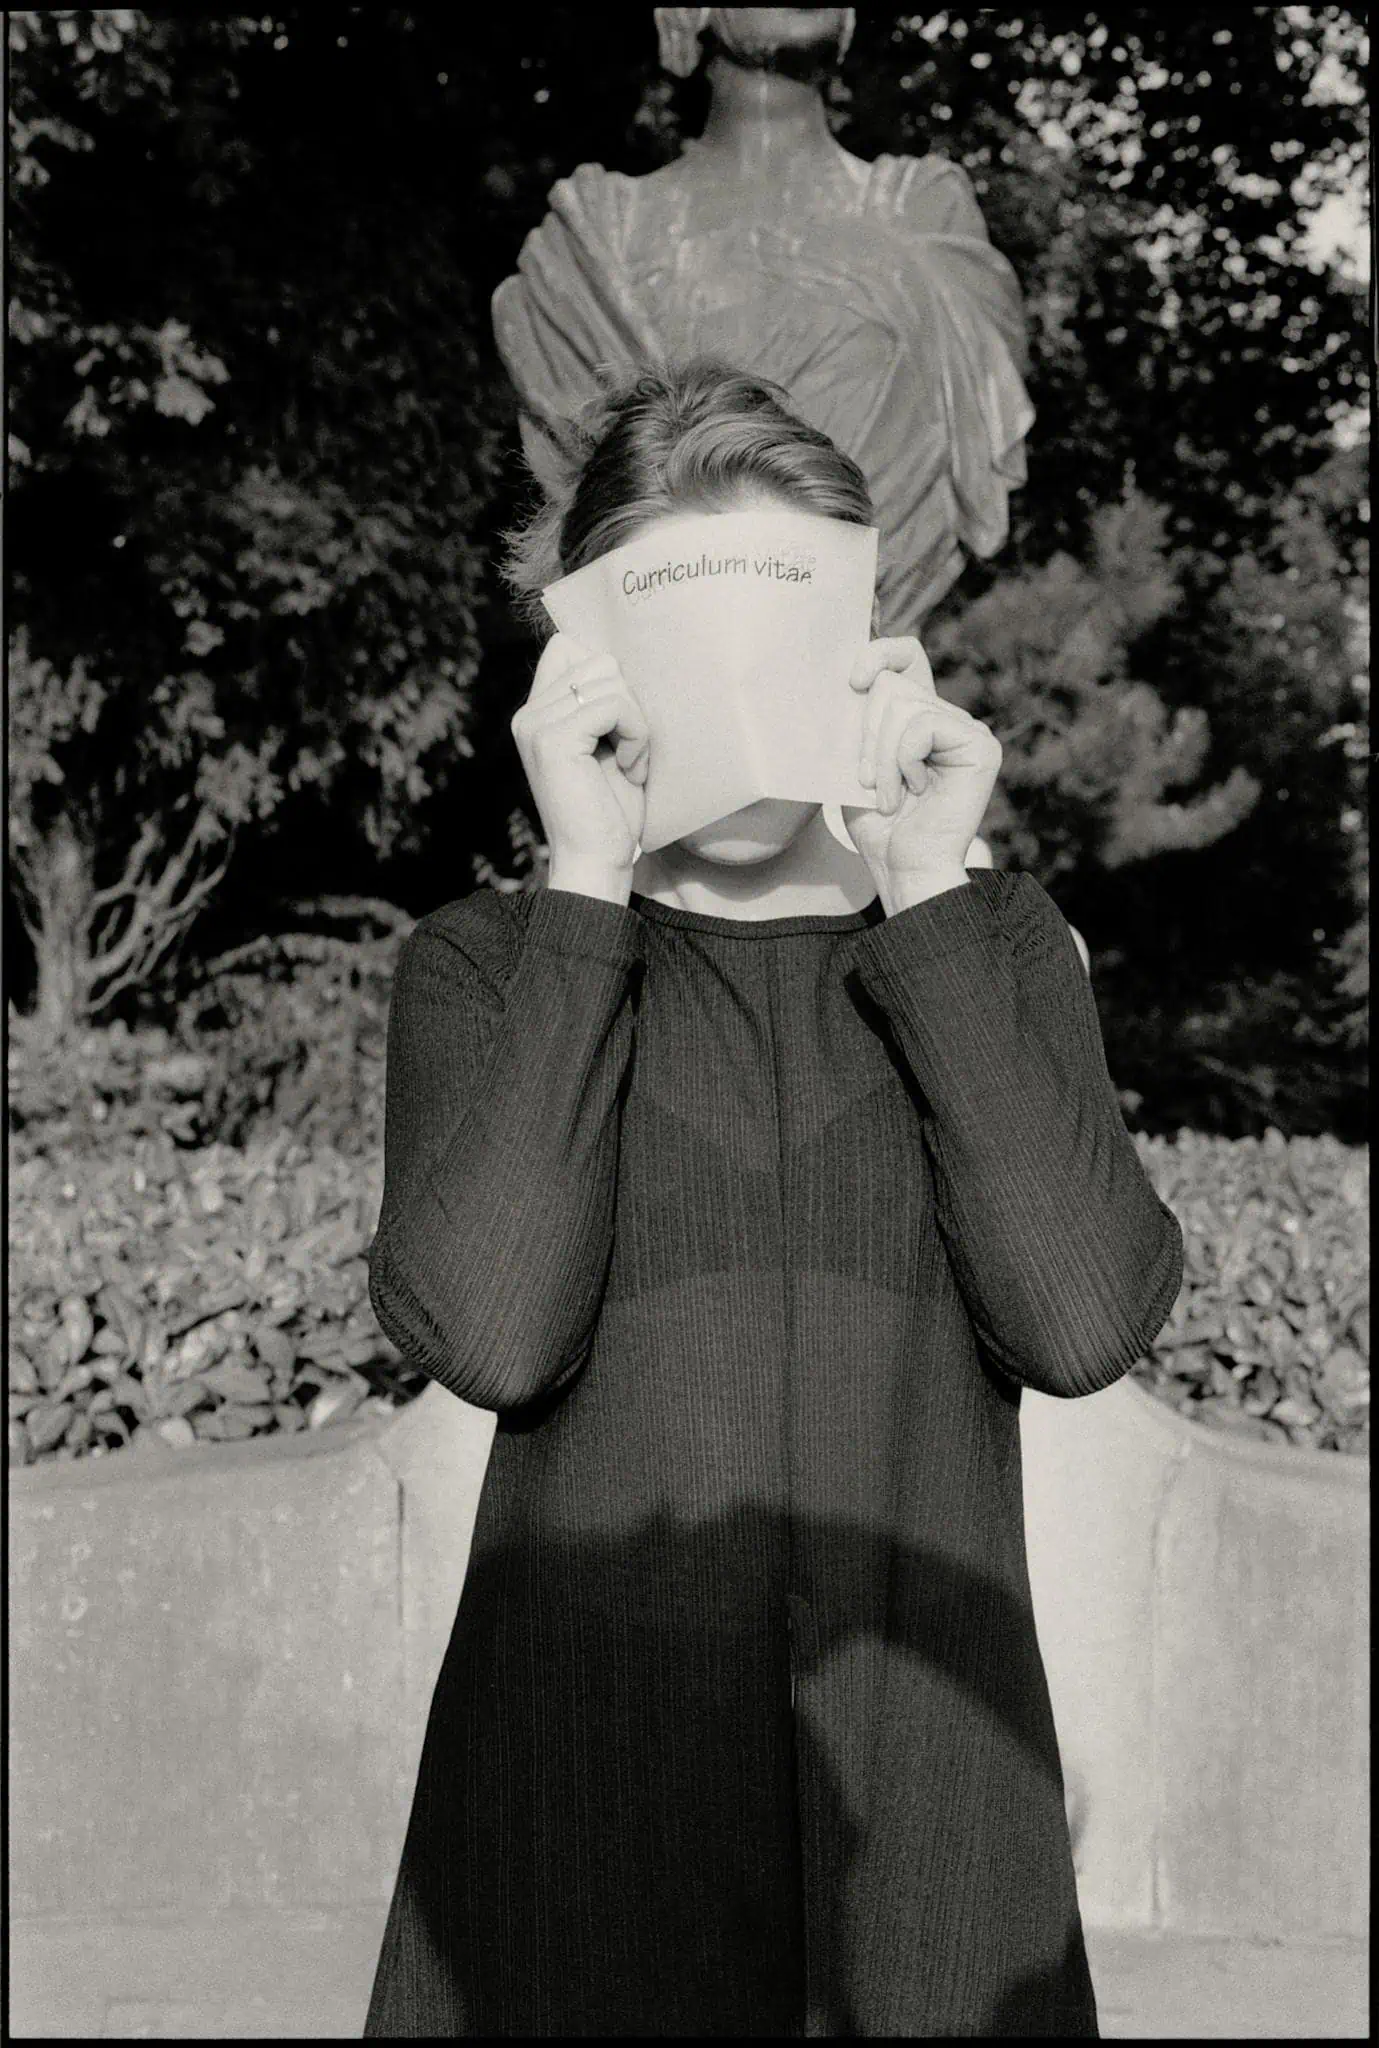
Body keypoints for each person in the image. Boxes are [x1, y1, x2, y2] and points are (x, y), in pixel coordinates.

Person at [362, 360, 1184, 2039]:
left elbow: (1082, 1318)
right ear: (576, 656)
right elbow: (495, 1333)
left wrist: (927, 892)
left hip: (932, 1844)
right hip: (575, 1832)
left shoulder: (987, 943)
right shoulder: (491, 965)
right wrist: (586, 878)